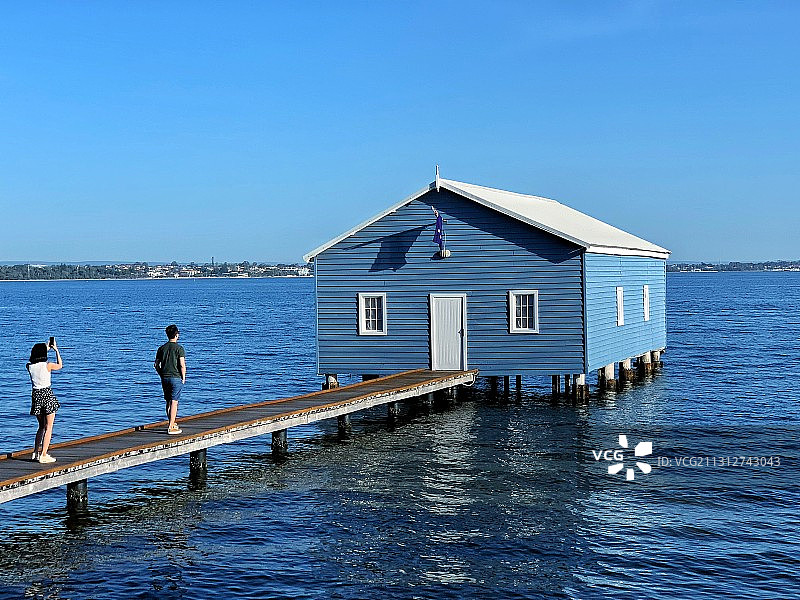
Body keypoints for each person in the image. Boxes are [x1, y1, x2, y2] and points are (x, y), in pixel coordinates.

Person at [27, 339, 63, 463]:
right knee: (49, 427)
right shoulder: (48, 365)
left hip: (36, 395)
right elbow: (60, 365)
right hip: (47, 394)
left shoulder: (29, 366)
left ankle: (35, 452)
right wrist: (56, 349)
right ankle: (44, 454)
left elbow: (37, 357)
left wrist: (46, 347)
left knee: (41, 426)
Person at [154, 324, 186, 434]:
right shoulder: (179, 348)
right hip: (175, 377)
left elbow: (156, 365)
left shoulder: (161, 348)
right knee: (174, 402)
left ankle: (171, 422)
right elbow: (182, 365)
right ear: (177, 335)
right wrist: (183, 377)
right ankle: (171, 426)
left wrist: (161, 374)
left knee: (168, 401)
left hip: (165, 378)